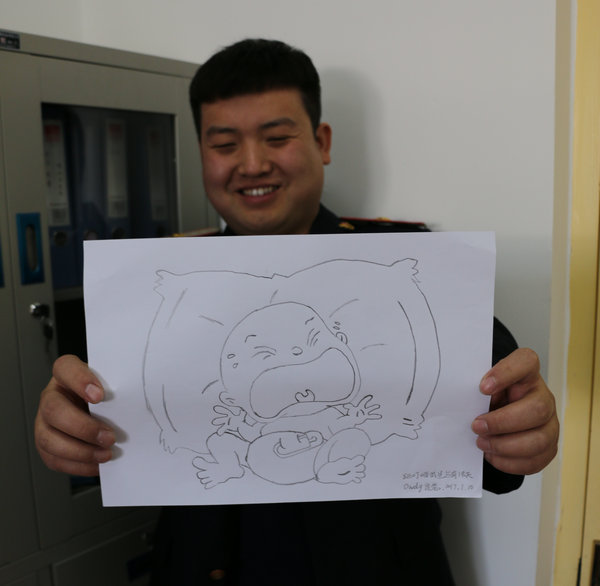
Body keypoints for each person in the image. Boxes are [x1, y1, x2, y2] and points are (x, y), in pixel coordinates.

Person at [34, 39, 559, 585]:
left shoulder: (411, 271)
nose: (252, 164)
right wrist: (67, 422)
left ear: (321, 141)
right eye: (224, 144)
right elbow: (100, 415)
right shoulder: (157, 291)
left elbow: (497, 429)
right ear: (202, 154)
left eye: (277, 137)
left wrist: (525, 428)